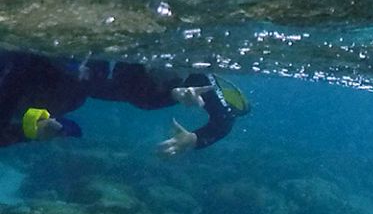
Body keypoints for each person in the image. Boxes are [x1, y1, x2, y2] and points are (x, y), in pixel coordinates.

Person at [0, 50, 249, 155]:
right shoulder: (28, 71)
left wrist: (194, 140)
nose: (166, 69)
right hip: (53, 77)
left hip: (68, 86)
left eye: (179, 68)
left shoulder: (198, 78)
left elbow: (224, 120)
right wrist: (27, 131)